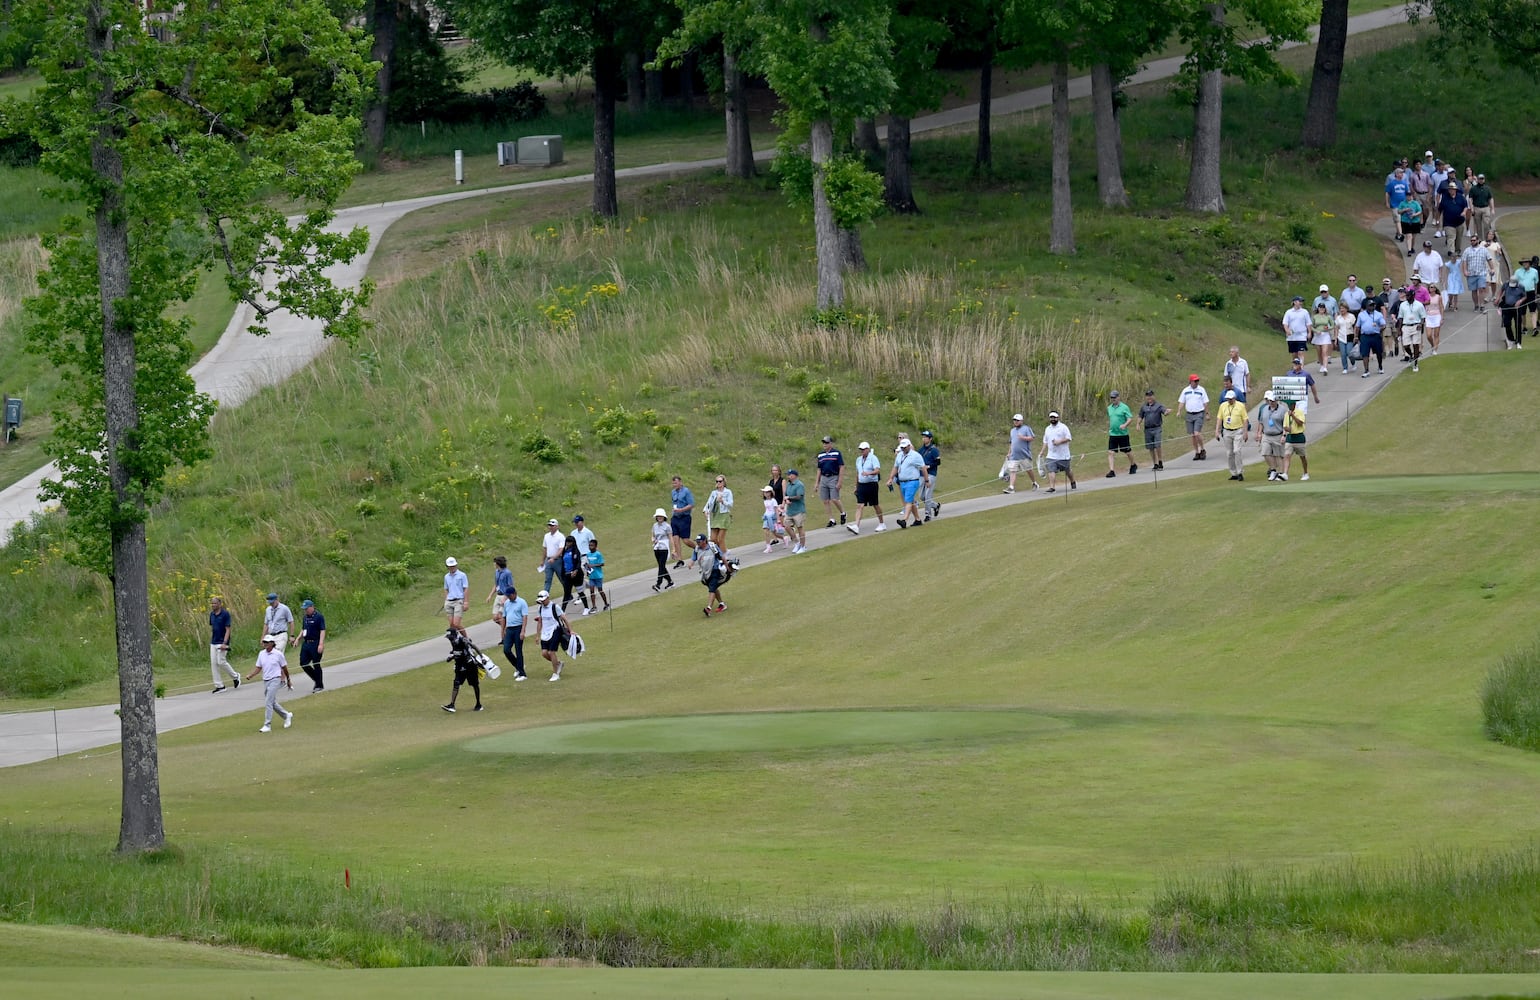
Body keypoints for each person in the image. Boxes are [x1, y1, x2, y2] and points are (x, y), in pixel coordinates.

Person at [244, 634, 293, 733]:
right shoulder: (261, 654)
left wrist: (288, 680)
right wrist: (251, 675)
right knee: (272, 702)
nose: (265, 644)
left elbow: (284, 668)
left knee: (268, 702)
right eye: (264, 642)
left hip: (276, 679)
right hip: (266, 680)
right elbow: (259, 668)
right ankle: (286, 715)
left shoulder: (278, 654)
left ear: (272, 643)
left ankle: (267, 725)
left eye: (267, 642)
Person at [887, 435, 930, 527]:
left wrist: (926, 480)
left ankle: (904, 520)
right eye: (902, 447)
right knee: (911, 501)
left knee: (908, 501)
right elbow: (895, 467)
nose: (903, 449)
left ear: (909, 446)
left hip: (912, 481)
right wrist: (891, 478)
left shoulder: (915, 456)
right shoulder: (899, 456)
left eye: (905, 447)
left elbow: (923, 468)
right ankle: (918, 519)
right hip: (902, 482)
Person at [441, 628, 484, 712]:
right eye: (449, 638)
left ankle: (478, 704)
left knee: (474, 684)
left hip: (469, 665)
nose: (450, 639)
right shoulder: (453, 642)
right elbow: (457, 652)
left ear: (455, 635)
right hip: (459, 666)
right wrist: (451, 657)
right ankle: (452, 705)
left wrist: (482, 657)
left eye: (451, 637)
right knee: (456, 683)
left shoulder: (462, 640)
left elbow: (473, 646)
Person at [847, 441, 886, 533]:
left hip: (871, 484)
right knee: (860, 505)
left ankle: (882, 523)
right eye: (861, 449)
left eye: (863, 449)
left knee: (875, 504)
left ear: (868, 449)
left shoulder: (873, 458)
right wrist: (856, 486)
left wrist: (868, 473)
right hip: (861, 485)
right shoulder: (858, 459)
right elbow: (858, 474)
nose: (862, 451)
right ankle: (856, 526)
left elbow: (877, 470)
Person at [533, 590, 570, 680]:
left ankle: (555, 674)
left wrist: (570, 630)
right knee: (544, 653)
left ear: (548, 598)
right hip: (545, 633)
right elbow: (540, 622)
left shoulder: (555, 607)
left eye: (543, 600)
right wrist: (537, 635)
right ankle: (558, 663)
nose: (542, 602)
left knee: (551, 652)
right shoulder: (540, 608)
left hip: (555, 630)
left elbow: (564, 619)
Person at [291, 598, 326, 692]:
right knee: (303, 663)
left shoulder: (319, 617)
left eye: (307, 608)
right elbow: (303, 630)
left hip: (315, 643)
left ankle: (319, 685)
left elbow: (322, 630)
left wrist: (321, 644)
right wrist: (298, 639)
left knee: (316, 663)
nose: (305, 610)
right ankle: (317, 679)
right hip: (306, 643)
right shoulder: (305, 617)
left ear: (312, 607)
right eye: (304, 609)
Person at [208, 596, 240, 694]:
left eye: (215, 603)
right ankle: (219, 686)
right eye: (212, 603)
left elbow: (228, 629)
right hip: (213, 641)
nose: (213, 605)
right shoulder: (212, 614)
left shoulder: (225, 614)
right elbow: (213, 627)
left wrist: (225, 643)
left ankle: (235, 676)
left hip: (222, 642)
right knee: (214, 663)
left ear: (220, 604)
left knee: (221, 661)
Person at [1215, 389, 1249, 481]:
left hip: (1238, 430)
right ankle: (1233, 473)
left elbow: (1245, 419)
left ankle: (1240, 472)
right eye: (1228, 399)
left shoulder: (1240, 406)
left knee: (1237, 451)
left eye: (1231, 399)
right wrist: (1217, 431)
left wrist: (1245, 432)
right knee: (1229, 453)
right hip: (1227, 431)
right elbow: (1219, 418)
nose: (1229, 401)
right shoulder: (1223, 406)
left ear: (1234, 398)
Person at [1253, 390, 1288, 482]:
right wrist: (1259, 433)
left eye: (1273, 401)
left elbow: (1286, 423)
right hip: (1267, 435)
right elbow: (1261, 422)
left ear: (1276, 400)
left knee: (1278, 455)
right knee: (1265, 453)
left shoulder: (1283, 409)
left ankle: (1280, 473)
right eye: (1270, 401)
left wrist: (1284, 435)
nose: (1271, 403)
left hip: (1278, 434)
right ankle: (1273, 470)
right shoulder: (1264, 409)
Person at [1002, 413, 1039, 493]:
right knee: (1012, 470)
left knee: (1029, 470)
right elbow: (1011, 443)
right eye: (1014, 420)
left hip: (1024, 455)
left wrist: (1023, 437)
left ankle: (1034, 483)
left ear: (1021, 421)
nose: (1015, 422)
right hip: (1014, 456)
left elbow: (1032, 438)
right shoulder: (1012, 431)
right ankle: (1011, 487)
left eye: (1017, 420)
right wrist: (1009, 453)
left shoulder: (1026, 428)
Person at [815, 436, 847, 528]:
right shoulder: (820, 455)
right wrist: (817, 482)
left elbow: (841, 466)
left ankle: (843, 513)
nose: (824, 444)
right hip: (824, 477)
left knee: (834, 499)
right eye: (823, 443)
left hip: (834, 477)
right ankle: (831, 519)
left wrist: (840, 481)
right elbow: (819, 469)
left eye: (826, 443)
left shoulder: (836, 453)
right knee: (825, 500)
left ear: (831, 444)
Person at [498, 585, 529, 680]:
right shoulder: (507, 603)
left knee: (518, 650)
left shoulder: (522, 602)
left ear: (514, 594)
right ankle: (518, 667)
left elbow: (524, 617)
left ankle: (522, 674)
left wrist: (523, 631)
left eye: (509, 595)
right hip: (509, 629)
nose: (508, 597)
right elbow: (504, 617)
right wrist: (502, 630)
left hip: (518, 628)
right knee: (506, 650)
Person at [695, 533, 729, 615]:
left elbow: (722, 557)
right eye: (697, 541)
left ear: (704, 541)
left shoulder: (712, 547)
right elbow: (694, 557)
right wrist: (691, 563)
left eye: (699, 541)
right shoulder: (697, 549)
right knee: (713, 588)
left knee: (712, 589)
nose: (697, 543)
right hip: (705, 572)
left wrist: (727, 567)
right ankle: (722, 604)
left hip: (715, 570)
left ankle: (708, 608)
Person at [1041, 410, 1076, 492]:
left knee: (1067, 470)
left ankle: (1073, 481)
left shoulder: (1063, 427)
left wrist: (1059, 441)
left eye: (1054, 417)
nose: (1052, 419)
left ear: (1057, 418)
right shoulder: (1047, 429)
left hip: (1063, 455)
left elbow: (1068, 438)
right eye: (1051, 417)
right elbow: (1045, 441)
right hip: (1051, 455)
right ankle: (1052, 487)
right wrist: (1042, 451)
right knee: (1051, 469)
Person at [1178, 374, 1209, 459]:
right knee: (1192, 435)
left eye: (1197, 381)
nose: (1197, 382)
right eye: (1195, 381)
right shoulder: (1185, 390)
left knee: (1197, 433)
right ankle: (1197, 452)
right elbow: (1182, 402)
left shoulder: (1201, 390)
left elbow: (1205, 402)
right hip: (1189, 414)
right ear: (1191, 382)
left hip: (1199, 413)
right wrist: (1179, 411)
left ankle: (1202, 449)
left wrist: (1207, 414)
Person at [1105, 390, 1136, 477]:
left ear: (1118, 397)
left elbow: (1130, 418)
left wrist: (1125, 425)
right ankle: (1112, 471)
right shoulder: (1109, 408)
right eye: (1112, 397)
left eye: (1114, 397)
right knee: (1111, 452)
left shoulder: (1124, 407)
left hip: (1123, 434)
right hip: (1113, 434)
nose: (1113, 399)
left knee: (1127, 451)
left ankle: (1133, 465)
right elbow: (1111, 419)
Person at [1138, 389, 1170, 471]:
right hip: (1147, 429)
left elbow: (1164, 412)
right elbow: (1140, 416)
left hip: (1157, 428)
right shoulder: (1144, 407)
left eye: (1151, 395)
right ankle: (1155, 463)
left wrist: (1167, 412)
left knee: (1157, 445)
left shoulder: (1158, 405)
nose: (1149, 397)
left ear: (1153, 396)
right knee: (1150, 447)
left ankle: (1160, 462)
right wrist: (1138, 424)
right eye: (1148, 396)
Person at [1460, 233, 1492, 313]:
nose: (1472, 242)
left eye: (1474, 240)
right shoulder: (1467, 250)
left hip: (1481, 273)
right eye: (1471, 241)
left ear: (1477, 240)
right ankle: (1476, 305)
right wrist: (1465, 271)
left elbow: (1489, 259)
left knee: (1481, 289)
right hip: (1471, 274)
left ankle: (1482, 305)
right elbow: (1464, 261)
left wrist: (1492, 268)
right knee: (1474, 290)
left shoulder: (1484, 250)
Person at [1396, 289, 1427, 371]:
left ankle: (1416, 364)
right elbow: (1400, 318)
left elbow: (1423, 317)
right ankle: (1412, 356)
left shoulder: (1419, 305)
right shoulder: (1403, 305)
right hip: (1406, 326)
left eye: (1409, 296)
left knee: (1415, 345)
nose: (1407, 297)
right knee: (1406, 345)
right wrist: (1399, 330)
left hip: (1416, 326)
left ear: (1413, 296)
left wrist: (1421, 324)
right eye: (1407, 296)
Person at [1356, 298, 1387, 377]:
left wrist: (1380, 329)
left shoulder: (1378, 314)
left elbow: (1383, 324)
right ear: (1366, 306)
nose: (1371, 307)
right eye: (1370, 306)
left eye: (1373, 305)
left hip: (1375, 335)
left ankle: (1380, 366)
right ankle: (1366, 370)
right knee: (1365, 354)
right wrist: (1356, 336)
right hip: (1365, 336)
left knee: (1379, 352)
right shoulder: (1361, 315)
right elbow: (1358, 326)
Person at [1437, 181, 1469, 253]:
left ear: (1455, 190)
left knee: (1458, 238)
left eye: (1453, 189)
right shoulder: (1444, 198)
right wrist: (1438, 220)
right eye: (1450, 189)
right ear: (1448, 190)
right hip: (1448, 223)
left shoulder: (1461, 197)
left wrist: (1464, 212)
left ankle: (1457, 250)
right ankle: (1451, 252)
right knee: (1450, 237)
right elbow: (1440, 210)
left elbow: (1465, 206)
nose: (1451, 190)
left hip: (1459, 222)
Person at [668, 475, 694, 568]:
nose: (674, 485)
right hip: (675, 517)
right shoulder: (673, 492)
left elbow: (691, 504)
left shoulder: (686, 491)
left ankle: (698, 549)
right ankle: (680, 560)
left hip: (684, 517)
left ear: (680, 482)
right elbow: (674, 503)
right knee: (675, 539)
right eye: (673, 483)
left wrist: (682, 509)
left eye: (676, 482)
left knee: (685, 540)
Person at [1282, 400, 1309, 482]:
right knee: (1287, 455)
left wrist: (1293, 416)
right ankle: (1285, 474)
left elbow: (1300, 423)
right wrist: (1287, 429)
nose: (1290, 407)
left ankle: (1305, 473)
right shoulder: (1286, 414)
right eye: (1289, 405)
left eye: (1291, 405)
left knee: (1302, 457)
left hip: (1299, 437)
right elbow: (1285, 426)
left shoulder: (1300, 412)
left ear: (1294, 405)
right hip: (1290, 437)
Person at [581, 538, 610, 615]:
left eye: (592, 545)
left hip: (598, 576)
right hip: (591, 576)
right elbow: (587, 564)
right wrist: (588, 570)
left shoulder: (598, 554)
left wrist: (593, 565)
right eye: (589, 545)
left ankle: (606, 603)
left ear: (595, 546)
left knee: (600, 590)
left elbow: (602, 564)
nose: (590, 547)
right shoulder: (588, 554)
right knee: (591, 591)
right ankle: (594, 607)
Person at [705, 474, 734, 550]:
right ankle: (720, 552)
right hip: (715, 515)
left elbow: (730, 504)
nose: (718, 483)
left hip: (724, 515)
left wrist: (722, 501)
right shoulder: (714, 493)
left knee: (720, 538)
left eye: (720, 481)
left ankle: (724, 554)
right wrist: (706, 510)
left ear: (724, 482)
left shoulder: (728, 492)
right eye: (717, 481)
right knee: (713, 539)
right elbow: (709, 503)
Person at [557, 535, 585, 613]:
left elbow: (578, 562)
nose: (568, 543)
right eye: (567, 541)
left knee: (580, 591)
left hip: (575, 575)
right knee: (566, 593)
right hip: (567, 574)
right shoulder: (565, 551)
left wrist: (576, 570)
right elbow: (563, 562)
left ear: (573, 542)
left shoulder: (575, 551)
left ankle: (586, 607)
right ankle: (563, 611)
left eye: (569, 542)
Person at [917, 431, 941, 520]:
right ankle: (935, 505)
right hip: (921, 474)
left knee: (927, 495)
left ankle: (928, 515)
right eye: (923, 437)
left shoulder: (934, 449)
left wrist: (929, 466)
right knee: (921, 496)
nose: (924, 438)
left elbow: (938, 462)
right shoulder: (921, 450)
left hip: (931, 474)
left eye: (926, 437)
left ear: (930, 439)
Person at [783, 468, 808, 552]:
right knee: (786, 526)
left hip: (798, 510)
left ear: (794, 475)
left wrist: (789, 498)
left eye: (790, 475)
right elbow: (786, 495)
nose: (788, 476)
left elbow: (799, 496)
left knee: (799, 528)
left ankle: (803, 546)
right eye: (788, 475)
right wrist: (787, 500)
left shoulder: (799, 484)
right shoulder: (789, 485)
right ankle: (797, 543)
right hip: (790, 510)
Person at [650, 509, 676, 591]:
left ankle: (658, 584)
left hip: (664, 548)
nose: (659, 518)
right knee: (662, 567)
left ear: (664, 517)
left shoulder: (667, 526)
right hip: (657, 547)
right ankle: (670, 581)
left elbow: (671, 538)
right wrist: (653, 539)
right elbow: (653, 535)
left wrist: (673, 549)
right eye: (658, 516)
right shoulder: (654, 526)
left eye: (661, 516)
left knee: (661, 566)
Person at [441, 558, 468, 633]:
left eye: (453, 566)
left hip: (458, 601)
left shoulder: (462, 575)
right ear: (447, 567)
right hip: (449, 601)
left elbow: (465, 588)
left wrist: (466, 602)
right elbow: (446, 588)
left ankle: (466, 639)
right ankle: (456, 641)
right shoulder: (446, 576)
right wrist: (446, 600)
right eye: (450, 566)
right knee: (452, 624)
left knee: (456, 624)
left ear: (456, 565)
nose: (452, 568)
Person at [1498, 275, 1526, 349]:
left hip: (1517, 308)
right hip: (1507, 306)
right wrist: (1498, 298)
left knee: (1518, 325)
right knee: (1507, 324)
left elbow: (1524, 296)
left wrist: (1520, 301)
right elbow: (1501, 290)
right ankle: (1511, 340)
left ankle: (1519, 342)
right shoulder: (1506, 284)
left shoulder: (1521, 287)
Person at [1515, 256, 1540, 337]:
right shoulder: (1518, 272)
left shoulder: (1534, 271)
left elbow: (1536, 283)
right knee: (1522, 312)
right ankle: (1524, 328)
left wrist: (1536, 294)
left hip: (1531, 293)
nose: (1524, 264)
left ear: (1529, 263)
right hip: (1521, 294)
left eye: (1526, 262)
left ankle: (1534, 328)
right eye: (1523, 263)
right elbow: (1514, 283)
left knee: (1533, 311)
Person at [1282, 295, 1311, 362]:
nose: (1300, 303)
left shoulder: (1304, 312)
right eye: (1299, 301)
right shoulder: (1289, 312)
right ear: (1294, 302)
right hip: (1292, 336)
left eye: (1301, 302)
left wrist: (1309, 332)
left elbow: (1308, 323)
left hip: (1302, 335)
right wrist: (1287, 330)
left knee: (1301, 353)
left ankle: (1301, 369)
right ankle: (1295, 367)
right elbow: (1285, 323)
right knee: (1294, 354)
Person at [538, 518, 564, 592]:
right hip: (548, 560)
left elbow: (561, 549)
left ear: (557, 526)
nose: (550, 527)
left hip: (558, 560)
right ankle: (545, 596)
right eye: (549, 525)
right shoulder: (546, 536)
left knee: (561, 578)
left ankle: (568, 594)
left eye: (552, 525)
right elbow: (545, 549)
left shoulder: (560, 536)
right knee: (547, 579)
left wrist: (554, 558)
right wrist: (543, 561)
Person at [1384, 166, 1410, 241]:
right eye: (1400, 173)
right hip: (1394, 204)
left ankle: (1398, 233)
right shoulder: (1392, 183)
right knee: (1397, 219)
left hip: (1403, 204)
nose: (1402, 174)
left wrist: (1409, 202)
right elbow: (1387, 193)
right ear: (1396, 174)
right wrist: (1387, 202)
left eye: (1402, 173)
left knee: (1401, 220)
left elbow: (1407, 193)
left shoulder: (1404, 183)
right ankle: (1401, 234)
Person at [1469, 172, 1496, 239]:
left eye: (1482, 179)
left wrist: (1492, 208)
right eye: (1479, 179)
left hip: (1486, 208)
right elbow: (1470, 199)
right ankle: (1480, 240)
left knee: (1486, 224)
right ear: (1477, 180)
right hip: (1477, 208)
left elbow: (1491, 198)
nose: (1481, 180)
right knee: (1478, 226)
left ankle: (1487, 239)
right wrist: (1472, 208)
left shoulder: (1487, 188)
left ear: (1484, 180)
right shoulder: (1473, 188)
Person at [486, 555, 513, 620]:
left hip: (505, 595)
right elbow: (496, 585)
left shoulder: (507, 573)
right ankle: (505, 628)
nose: (493, 564)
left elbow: (510, 586)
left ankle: (505, 629)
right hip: (498, 595)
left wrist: (505, 597)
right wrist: (490, 596)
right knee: (495, 618)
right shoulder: (496, 572)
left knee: (500, 616)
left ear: (498, 564)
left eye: (494, 562)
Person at [1333, 302, 1356, 375]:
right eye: (1340, 308)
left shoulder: (1351, 316)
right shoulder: (1338, 318)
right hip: (1341, 336)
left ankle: (1353, 363)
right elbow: (1336, 328)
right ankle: (1345, 368)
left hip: (1349, 335)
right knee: (1343, 354)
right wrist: (1336, 338)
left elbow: (1355, 327)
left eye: (1343, 308)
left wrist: (1355, 336)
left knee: (1349, 353)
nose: (1341, 310)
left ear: (1346, 309)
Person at [1310, 303, 1333, 374]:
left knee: (1324, 351)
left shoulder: (1328, 317)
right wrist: (1316, 331)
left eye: (1323, 308)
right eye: (1320, 308)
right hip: (1317, 335)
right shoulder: (1315, 317)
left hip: (1325, 334)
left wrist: (1328, 328)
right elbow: (1311, 326)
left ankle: (1325, 367)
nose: (1321, 309)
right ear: (1318, 309)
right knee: (1319, 352)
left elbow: (1333, 325)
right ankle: (1322, 365)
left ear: (1325, 309)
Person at [1424, 282, 1444, 355]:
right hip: (1428, 315)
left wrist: (1442, 318)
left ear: (1435, 289)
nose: (1431, 288)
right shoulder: (1427, 296)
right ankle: (1432, 345)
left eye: (1433, 287)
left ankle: (1435, 349)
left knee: (1436, 334)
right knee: (1429, 335)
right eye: (1430, 287)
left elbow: (1441, 307)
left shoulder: (1439, 297)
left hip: (1436, 315)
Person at [759, 484, 781, 553]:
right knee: (766, 531)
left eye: (768, 492)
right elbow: (767, 509)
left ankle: (783, 538)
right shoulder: (765, 501)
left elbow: (776, 510)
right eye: (765, 492)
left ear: (771, 493)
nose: (766, 494)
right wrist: (764, 515)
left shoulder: (773, 501)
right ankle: (768, 547)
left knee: (774, 532)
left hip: (772, 517)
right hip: (767, 517)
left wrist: (778, 519)